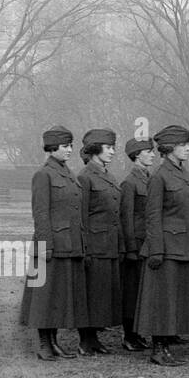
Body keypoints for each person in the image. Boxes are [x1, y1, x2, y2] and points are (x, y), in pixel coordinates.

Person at [20, 126, 88, 360]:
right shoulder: (43, 174)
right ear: (52, 148)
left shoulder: (67, 173)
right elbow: (40, 213)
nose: (70, 150)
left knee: (58, 296)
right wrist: (45, 246)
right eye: (65, 146)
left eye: (70, 145)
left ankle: (53, 341)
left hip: (68, 244)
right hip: (50, 246)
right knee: (45, 297)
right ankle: (43, 343)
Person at [136, 125, 189, 367]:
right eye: (183, 145)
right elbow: (152, 216)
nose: (187, 148)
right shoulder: (160, 177)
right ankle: (158, 348)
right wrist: (156, 249)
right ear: (169, 148)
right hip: (166, 249)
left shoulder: (186, 175)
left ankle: (166, 346)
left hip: (185, 246)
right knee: (163, 300)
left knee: (176, 299)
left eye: (187, 144)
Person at [77, 128, 123, 355]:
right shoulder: (85, 177)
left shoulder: (108, 175)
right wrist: (84, 248)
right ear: (95, 150)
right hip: (94, 246)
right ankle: (86, 339)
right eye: (109, 148)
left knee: (102, 294)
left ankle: (94, 338)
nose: (113, 152)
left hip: (109, 245)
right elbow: (81, 216)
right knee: (90, 294)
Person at [118, 137, 155, 350]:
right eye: (148, 151)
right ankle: (129, 336)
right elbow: (126, 218)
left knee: (143, 291)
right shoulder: (129, 183)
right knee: (131, 292)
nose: (152, 154)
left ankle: (138, 334)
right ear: (136, 155)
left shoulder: (150, 179)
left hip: (148, 244)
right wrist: (130, 248)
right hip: (136, 246)